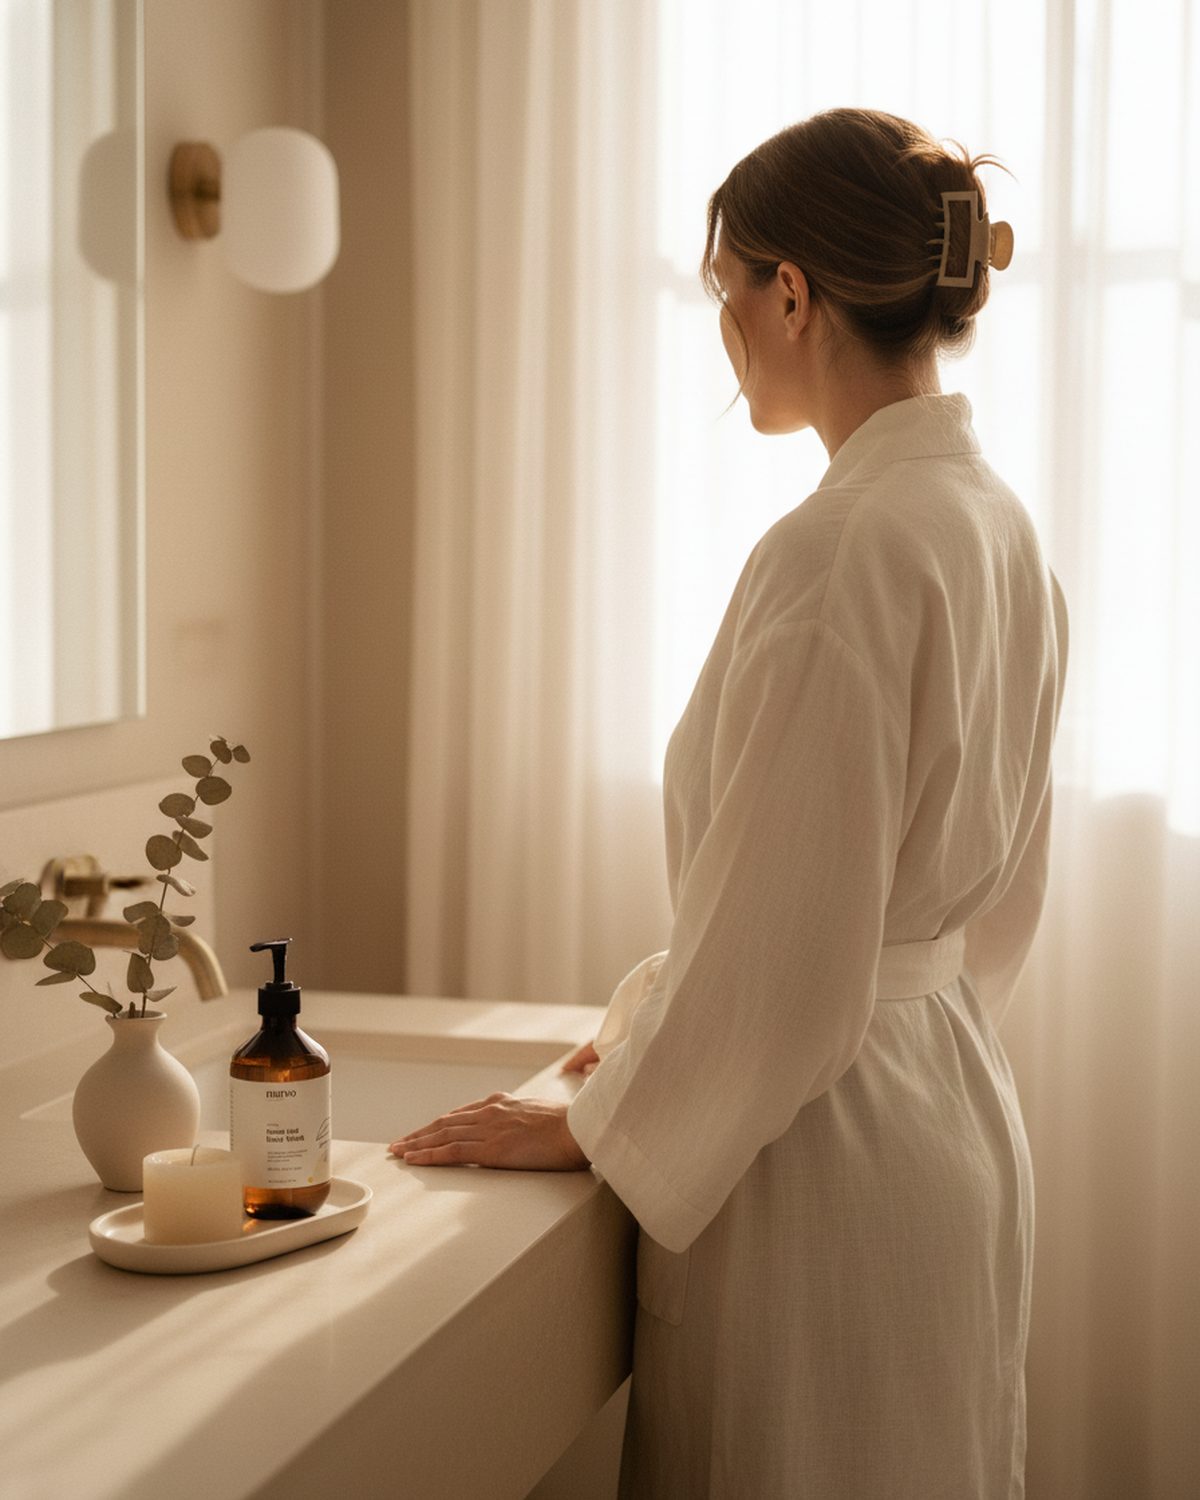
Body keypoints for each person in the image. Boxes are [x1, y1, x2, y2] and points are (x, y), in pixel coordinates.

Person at [388, 107, 1068, 1499]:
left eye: (726, 291)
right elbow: (982, 917)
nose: (726, 330)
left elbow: (785, 944)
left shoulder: (843, 550)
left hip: (824, 1167)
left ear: (794, 293)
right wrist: (655, 1046)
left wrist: (597, 1115)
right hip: (947, 1113)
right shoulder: (997, 527)